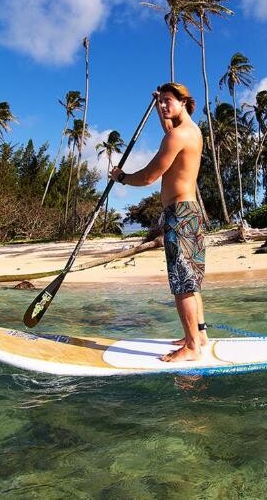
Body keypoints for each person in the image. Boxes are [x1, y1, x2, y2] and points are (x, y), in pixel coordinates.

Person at [110, 82, 207, 362]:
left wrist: (122, 177)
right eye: (160, 101)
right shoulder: (191, 131)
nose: (163, 106)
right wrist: (158, 108)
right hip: (191, 212)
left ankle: (192, 347)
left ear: (183, 102)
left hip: (179, 214)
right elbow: (169, 130)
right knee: (190, 279)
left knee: (182, 283)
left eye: (168, 101)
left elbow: (149, 176)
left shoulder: (177, 135)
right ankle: (200, 335)